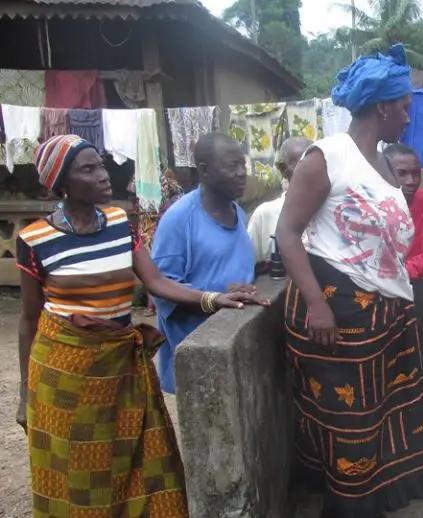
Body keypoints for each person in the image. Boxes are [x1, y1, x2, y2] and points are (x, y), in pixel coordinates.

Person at [15, 135, 267, 518]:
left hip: (123, 366)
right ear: (61, 183)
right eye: (89, 169)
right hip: (64, 373)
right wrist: (23, 393)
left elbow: (158, 282)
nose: (103, 175)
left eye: (101, 165)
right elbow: (30, 320)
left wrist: (213, 299)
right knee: (78, 467)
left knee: (144, 464)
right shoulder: (35, 240)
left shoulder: (119, 224)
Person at [276, 44, 423, 518]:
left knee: (379, 420)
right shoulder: (326, 157)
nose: (409, 117)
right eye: (405, 107)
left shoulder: (385, 162)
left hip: (383, 314)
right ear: (382, 107)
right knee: (351, 426)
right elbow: (287, 233)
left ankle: (364, 506)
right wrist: (316, 304)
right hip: (338, 310)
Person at [151, 132, 259, 394]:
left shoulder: (238, 213)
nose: (241, 173)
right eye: (231, 166)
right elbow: (161, 286)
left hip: (237, 340)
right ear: (204, 171)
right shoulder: (179, 220)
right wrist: (214, 298)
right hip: (198, 352)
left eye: (242, 164)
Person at [384, 143, 423, 279]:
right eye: (402, 174)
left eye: (416, 174)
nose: (411, 181)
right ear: (384, 173)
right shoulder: (368, 205)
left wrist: (399, 273)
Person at [248, 136, 312, 272]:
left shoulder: (333, 211)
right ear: (284, 170)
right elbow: (249, 267)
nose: (313, 171)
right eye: (304, 164)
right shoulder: (265, 214)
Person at [128, 166, 185, 315]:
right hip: (148, 227)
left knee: (154, 267)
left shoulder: (163, 180)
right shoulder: (139, 178)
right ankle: (151, 304)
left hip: (157, 226)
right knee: (149, 267)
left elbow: (178, 193)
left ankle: (153, 304)